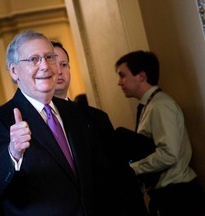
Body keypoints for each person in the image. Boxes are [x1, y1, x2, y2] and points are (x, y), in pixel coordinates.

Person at [0, 30, 148, 216]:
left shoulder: (76, 113)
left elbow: (105, 180)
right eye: (34, 59)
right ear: (14, 71)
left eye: (49, 57)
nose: (45, 66)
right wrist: (13, 153)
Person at [52, 40, 148, 214]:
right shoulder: (33, 124)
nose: (59, 71)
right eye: (53, 64)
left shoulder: (96, 118)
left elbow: (121, 174)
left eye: (64, 64)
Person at [115, 50, 205, 216]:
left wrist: (131, 169)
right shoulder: (150, 106)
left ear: (141, 76)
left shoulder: (160, 105)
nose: (119, 82)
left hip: (180, 197)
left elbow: (169, 154)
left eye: (123, 75)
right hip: (170, 195)